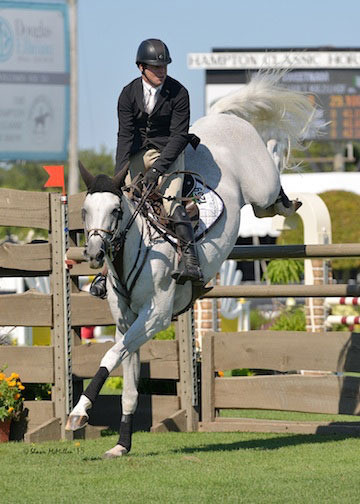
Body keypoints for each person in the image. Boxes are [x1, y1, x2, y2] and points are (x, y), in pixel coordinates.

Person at [90, 38, 203, 299]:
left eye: (164, 66)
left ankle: (191, 262)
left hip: (168, 152)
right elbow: (125, 137)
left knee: (171, 202)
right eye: (156, 67)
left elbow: (178, 137)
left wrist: (157, 171)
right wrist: (118, 178)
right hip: (138, 154)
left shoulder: (179, 93)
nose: (162, 71)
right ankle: (105, 274)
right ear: (141, 67)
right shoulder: (128, 94)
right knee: (123, 207)